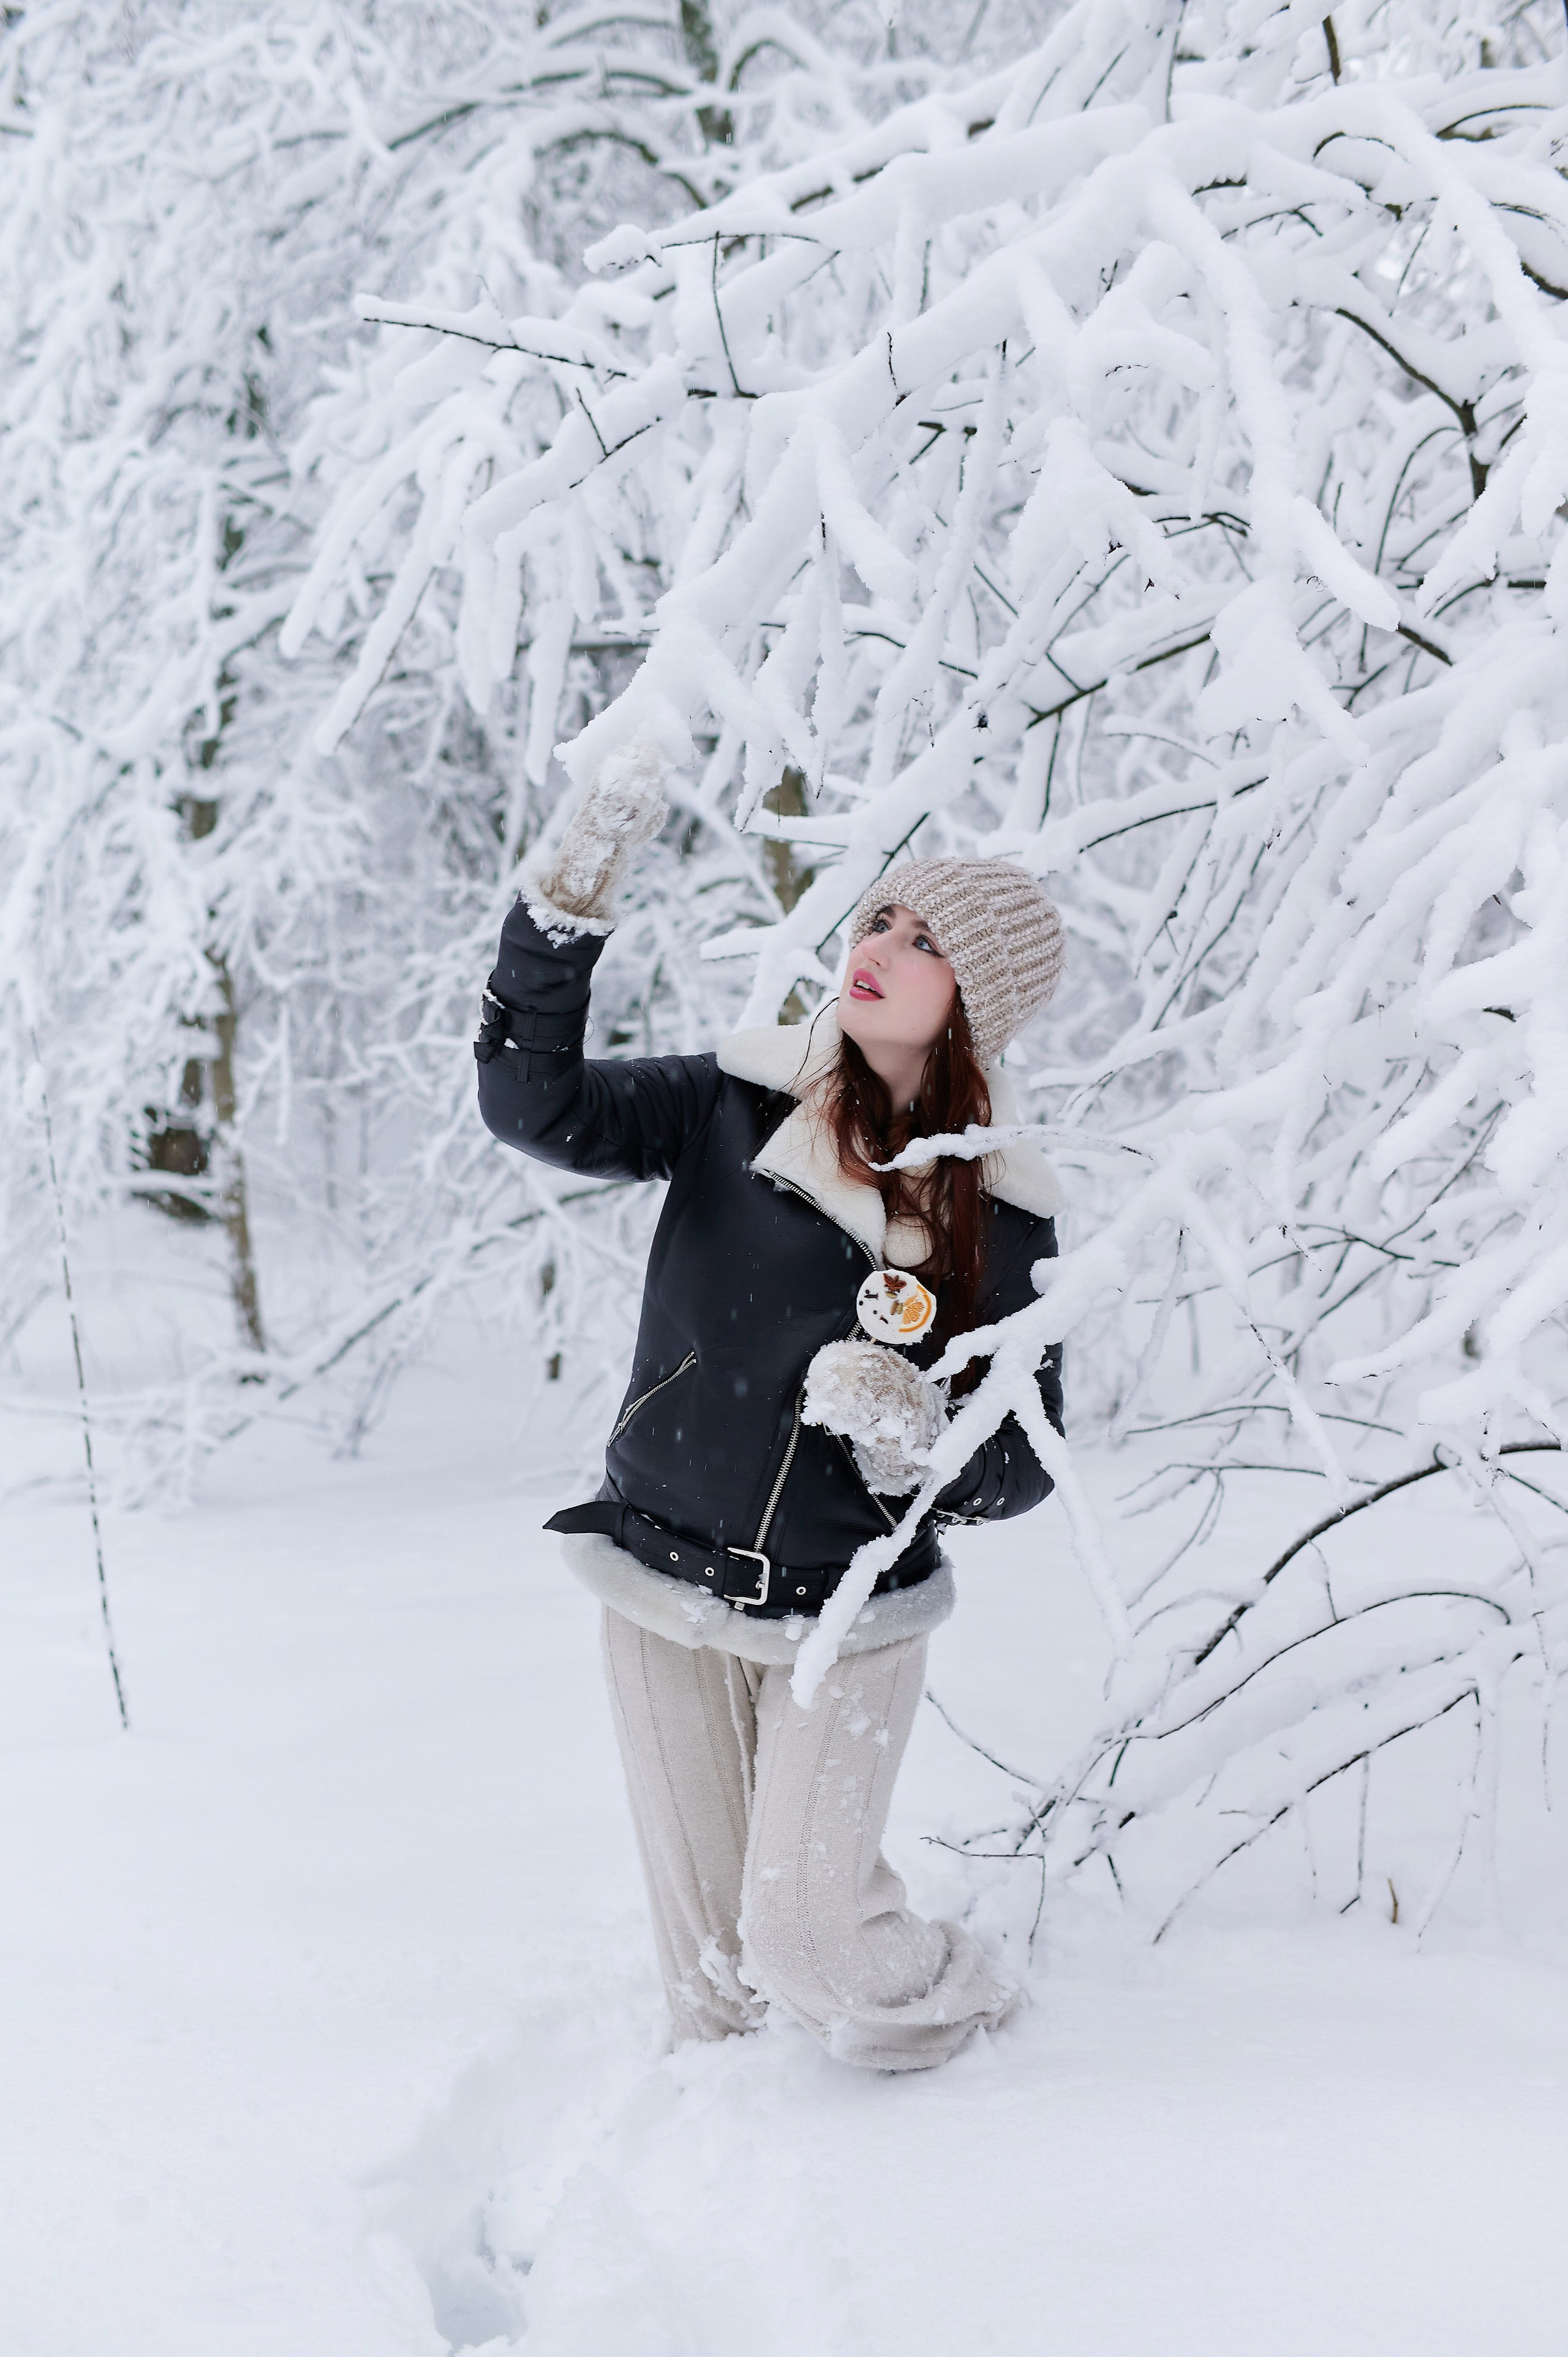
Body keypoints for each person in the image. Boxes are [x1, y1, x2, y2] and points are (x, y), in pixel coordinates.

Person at [475, 739, 1067, 2071]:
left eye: (922, 940)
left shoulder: (1004, 1218)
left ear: (974, 1003)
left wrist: (914, 1437)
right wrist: (556, 924)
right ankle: (738, 2196)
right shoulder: (730, 1102)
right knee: (714, 1992)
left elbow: (1022, 1461)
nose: (878, 943)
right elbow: (538, 1107)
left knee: (810, 1943)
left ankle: (970, 2006)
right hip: (662, 1572)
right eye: (878, 916)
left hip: (846, 1612)